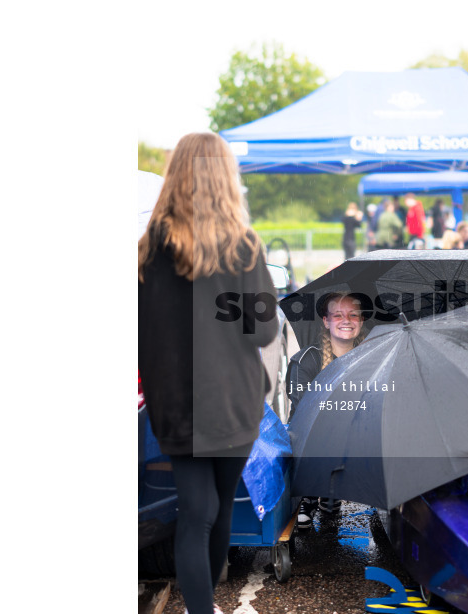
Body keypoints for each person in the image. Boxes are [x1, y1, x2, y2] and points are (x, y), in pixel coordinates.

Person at [138, 132, 278, 614]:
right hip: (232, 402)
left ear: (175, 177)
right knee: (215, 512)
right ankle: (207, 604)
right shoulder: (242, 248)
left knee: (195, 512)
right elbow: (261, 332)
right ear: (226, 180)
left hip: (173, 403)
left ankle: (203, 608)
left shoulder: (145, 251)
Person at [286, 292, 368, 526]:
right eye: (338, 315)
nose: (346, 320)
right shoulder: (305, 360)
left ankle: (335, 488)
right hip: (311, 439)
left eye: (353, 315)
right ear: (326, 321)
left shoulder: (370, 359)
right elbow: (304, 412)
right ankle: (310, 494)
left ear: (361, 321)